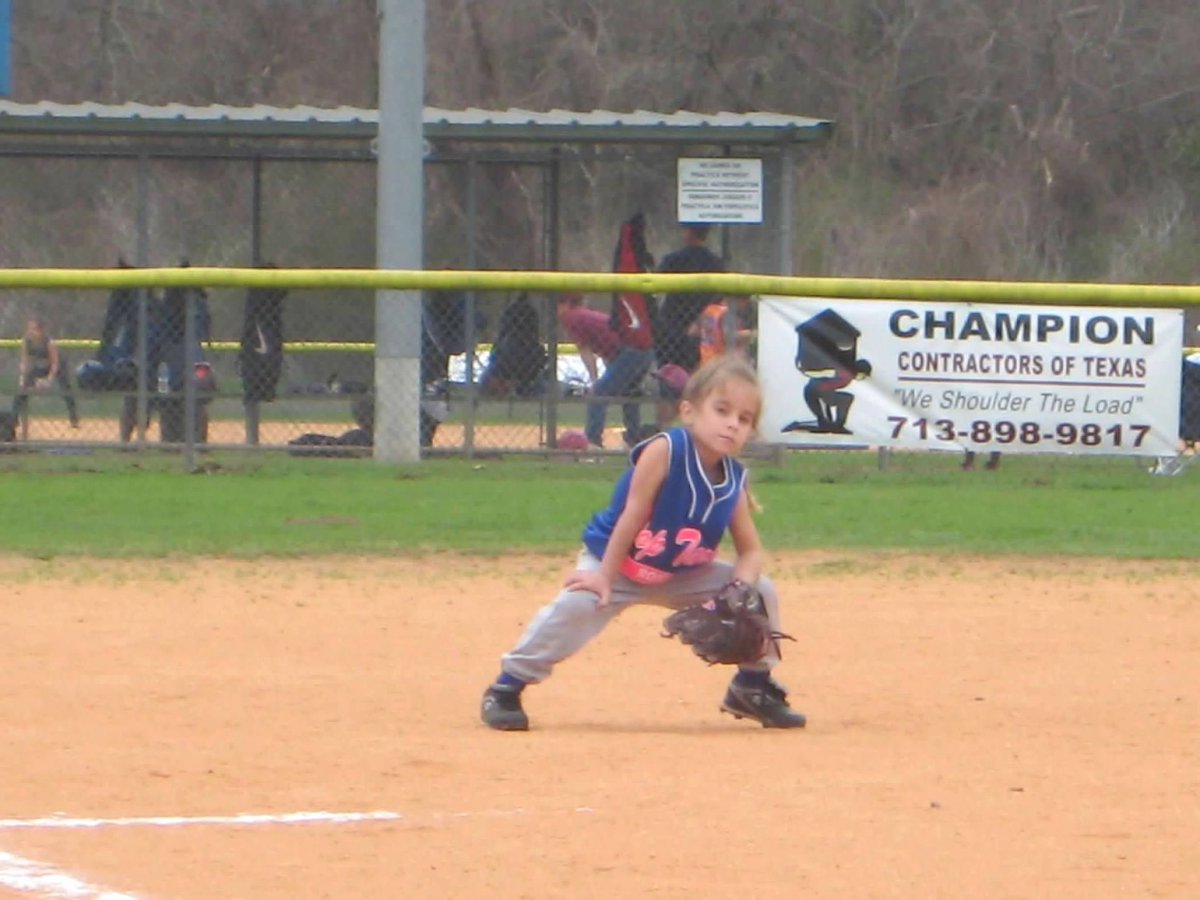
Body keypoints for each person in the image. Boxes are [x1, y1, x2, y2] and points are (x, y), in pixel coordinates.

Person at [479, 354, 806, 731]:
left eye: (744, 419)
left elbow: (750, 551)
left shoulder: (733, 478)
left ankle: (753, 686)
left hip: (679, 573)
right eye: (722, 410)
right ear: (689, 411)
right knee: (577, 605)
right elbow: (631, 516)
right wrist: (602, 575)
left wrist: (738, 588)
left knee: (760, 591)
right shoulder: (667, 451)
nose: (732, 423)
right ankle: (507, 685)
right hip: (618, 564)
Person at [557, 294, 655, 450]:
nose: (558, 311)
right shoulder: (583, 314)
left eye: (559, 304)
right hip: (641, 351)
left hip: (631, 352)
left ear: (567, 304)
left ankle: (592, 442)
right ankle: (634, 440)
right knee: (629, 393)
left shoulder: (572, 316)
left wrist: (594, 379)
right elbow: (608, 346)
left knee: (598, 393)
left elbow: (585, 350)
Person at [654, 222, 725, 429]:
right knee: (697, 382)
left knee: (668, 382)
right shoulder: (714, 262)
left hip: (671, 328)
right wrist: (699, 321)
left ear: (687, 233)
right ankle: (693, 427)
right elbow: (718, 299)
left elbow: (655, 285)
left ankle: (664, 428)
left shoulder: (673, 259)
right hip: (698, 331)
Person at [11, 315, 80, 429]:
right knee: (21, 390)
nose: (31, 332)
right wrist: (22, 377)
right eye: (30, 329)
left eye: (34, 329)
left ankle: (74, 418)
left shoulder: (49, 342)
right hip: (41, 366)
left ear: (41, 330)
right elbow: (25, 361)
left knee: (66, 389)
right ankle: (14, 419)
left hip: (57, 367)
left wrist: (49, 380)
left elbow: (55, 364)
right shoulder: (27, 342)